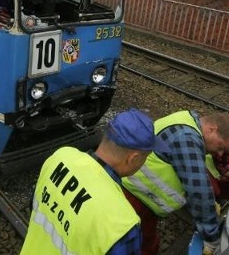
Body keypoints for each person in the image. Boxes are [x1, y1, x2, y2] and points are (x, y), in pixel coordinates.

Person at [21, 109, 168, 255]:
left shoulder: (60, 157)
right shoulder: (122, 224)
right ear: (133, 158)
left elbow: (35, 204)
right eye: (145, 157)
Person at [122, 111, 229, 255]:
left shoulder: (187, 119)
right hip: (133, 199)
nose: (220, 154)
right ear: (213, 129)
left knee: (147, 244)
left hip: (138, 197)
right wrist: (211, 236)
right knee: (139, 248)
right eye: (221, 147)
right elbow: (199, 191)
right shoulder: (187, 139)